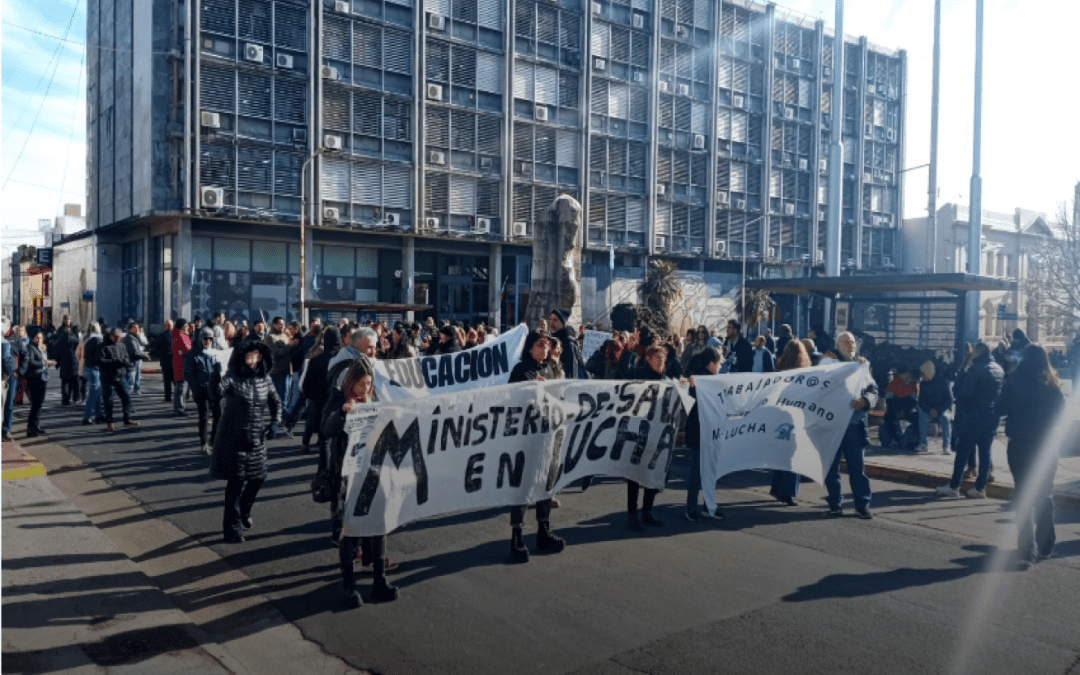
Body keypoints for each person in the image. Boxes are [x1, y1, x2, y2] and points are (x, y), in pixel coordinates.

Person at [328, 359, 399, 607]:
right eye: (360, 384)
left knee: (378, 525)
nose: (364, 389)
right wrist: (341, 414)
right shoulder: (340, 399)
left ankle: (379, 580)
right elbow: (325, 429)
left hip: (374, 473)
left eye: (368, 384)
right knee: (350, 531)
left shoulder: (374, 401)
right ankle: (349, 587)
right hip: (349, 478)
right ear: (351, 383)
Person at [996, 344, 1066, 569]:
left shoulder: (1013, 381)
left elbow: (999, 409)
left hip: (1020, 445)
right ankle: (1046, 546)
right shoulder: (1053, 384)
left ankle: (1027, 550)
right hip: (1046, 445)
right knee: (1045, 494)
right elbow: (1060, 414)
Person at [209, 340, 281, 544]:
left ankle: (244, 511)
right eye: (249, 355)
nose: (253, 359)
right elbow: (215, 394)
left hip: (256, 438)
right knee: (235, 485)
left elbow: (275, 401)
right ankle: (232, 531)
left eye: (256, 355)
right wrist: (215, 375)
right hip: (233, 438)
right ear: (241, 356)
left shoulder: (264, 378)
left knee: (258, 478)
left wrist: (275, 421)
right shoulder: (232, 377)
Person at [505, 331, 567, 562]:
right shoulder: (521, 369)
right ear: (530, 347)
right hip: (527, 436)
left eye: (547, 345)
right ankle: (516, 536)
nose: (544, 348)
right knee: (523, 486)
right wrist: (531, 388)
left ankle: (544, 531)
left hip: (548, 434)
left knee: (546, 484)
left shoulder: (551, 368)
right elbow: (510, 398)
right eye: (540, 344)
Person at [820, 332, 879, 519]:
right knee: (831, 468)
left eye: (852, 342)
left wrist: (865, 401)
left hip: (854, 425)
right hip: (832, 424)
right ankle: (835, 504)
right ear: (837, 345)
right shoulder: (827, 364)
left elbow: (873, 391)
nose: (850, 345)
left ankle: (862, 505)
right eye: (845, 342)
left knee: (857, 468)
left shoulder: (862, 365)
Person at [935, 342, 1004, 499]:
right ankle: (980, 489)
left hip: (974, 415)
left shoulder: (975, 369)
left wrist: (962, 374)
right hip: (992, 416)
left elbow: (963, 392)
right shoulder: (999, 369)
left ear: (977, 353)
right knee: (985, 452)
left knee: (963, 450)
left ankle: (954, 486)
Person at [624, 344, 671, 531]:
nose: (661, 362)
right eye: (657, 358)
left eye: (663, 358)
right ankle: (632, 514)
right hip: (638, 434)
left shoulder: (667, 381)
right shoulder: (639, 375)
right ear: (648, 359)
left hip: (657, 437)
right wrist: (627, 351)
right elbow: (622, 374)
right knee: (635, 475)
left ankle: (647, 511)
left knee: (652, 472)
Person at [683, 346, 726, 521]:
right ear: (711, 364)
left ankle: (708, 505)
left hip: (705, 429)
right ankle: (692, 507)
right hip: (700, 430)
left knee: (707, 470)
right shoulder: (699, 381)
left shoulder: (701, 379)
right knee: (699, 471)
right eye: (719, 363)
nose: (721, 366)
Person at [769, 339, 813, 506]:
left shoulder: (780, 370)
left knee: (781, 455)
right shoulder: (803, 373)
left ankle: (776, 488)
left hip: (781, 417)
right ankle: (787, 493)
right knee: (794, 457)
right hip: (796, 418)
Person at [299, 326, 339, 456]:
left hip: (319, 400)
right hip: (339, 403)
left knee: (323, 439)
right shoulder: (345, 359)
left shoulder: (316, 360)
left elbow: (307, 386)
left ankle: (323, 469)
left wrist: (314, 397)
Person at [186, 328, 223, 454]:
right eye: (205, 338)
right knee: (203, 416)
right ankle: (204, 443)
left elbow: (221, 370)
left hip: (215, 389)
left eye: (210, 339)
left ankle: (214, 441)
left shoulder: (215, 353)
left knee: (218, 414)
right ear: (200, 339)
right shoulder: (192, 354)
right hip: (201, 389)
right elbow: (188, 373)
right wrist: (195, 389)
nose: (208, 341)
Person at [97, 328, 139, 432]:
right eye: (115, 337)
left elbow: (127, 358)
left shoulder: (122, 345)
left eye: (119, 337)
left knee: (126, 397)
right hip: (108, 377)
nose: (117, 339)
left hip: (121, 376)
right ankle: (110, 422)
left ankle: (127, 419)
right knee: (109, 401)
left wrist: (125, 361)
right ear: (111, 336)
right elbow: (101, 361)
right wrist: (116, 362)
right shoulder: (103, 346)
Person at [19, 329, 55, 437]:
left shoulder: (42, 348)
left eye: (41, 337)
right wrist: (45, 362)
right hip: (34, 377)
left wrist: (48, 361)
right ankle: (30, 429)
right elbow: (31, 362)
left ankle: (36, 426)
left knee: (39, 404)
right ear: (33, 338)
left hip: (43, 377)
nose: (39, 339)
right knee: (35, 404)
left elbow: (44, 360)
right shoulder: (31, 348)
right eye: (37, 337)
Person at [916, 360, 953, 455]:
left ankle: (946, 445)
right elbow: (921, 401)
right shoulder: (923, 383)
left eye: (923, 373)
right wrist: (929, 410)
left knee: (945, 419)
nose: (921, 376)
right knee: (922, 418)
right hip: (929, 409)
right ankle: (923, 443)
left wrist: (939, 410)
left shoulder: (944, 382)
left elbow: (948, 400)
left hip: (942, 409)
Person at [879, 369, 920, 451]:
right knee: (887, 416)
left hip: (909, 409)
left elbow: (914, 401)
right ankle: (893, 438)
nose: (905, 376)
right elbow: (889, 400)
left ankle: (916, 441)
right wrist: (897, 410)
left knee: (917, 417)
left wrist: (904, 410)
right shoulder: (893, 383)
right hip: (895, 408)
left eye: (906, 373)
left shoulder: (913, 384)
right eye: (903, 374)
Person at [264, 316, 295, 408]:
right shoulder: (270, 337)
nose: (282, 326)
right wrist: (290, 345)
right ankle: (277, 418)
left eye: (283, 324)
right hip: (277, 371)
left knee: (286, 396)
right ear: (275, 324)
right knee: (278, 397)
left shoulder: (285, 335)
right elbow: (276, 353)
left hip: (287, 371)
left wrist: (291, 338)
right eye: (280, 324)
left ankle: (283, 417)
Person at [549, 308, 587, 379]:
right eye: (550, 319)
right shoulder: (555, 338)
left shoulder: (567, 342)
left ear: (563, 323)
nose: (551, 323)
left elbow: (572, 369)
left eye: (555, 320)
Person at [82, 322, 105, 425]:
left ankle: (98, 414)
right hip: (94, 369)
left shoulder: (87, 339)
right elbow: (99, 357)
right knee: (94, 393)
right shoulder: (98, 340)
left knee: (96, 392)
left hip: (87, 367)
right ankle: (87, 417)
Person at [121, 322, 149, 399]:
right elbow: (134, 353)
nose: (137, 330)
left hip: (131, 365)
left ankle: (127, 406)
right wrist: (144, 355)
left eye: (137, 328)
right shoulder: (130, 338)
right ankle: (127, 407)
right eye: (134, 328)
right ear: (130, 329)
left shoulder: (133, 337)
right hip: (130, 365)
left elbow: (143, 344)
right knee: (129, 388)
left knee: (128, 387)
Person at [171, 319, 192, 416]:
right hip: (182, 364)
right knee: (181, 388)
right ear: (183, 327)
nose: (188, 328)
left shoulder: (178, 335)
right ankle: (179, 409)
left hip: (181, 363)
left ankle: (179, 408)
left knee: (181, 388)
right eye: (187, 326)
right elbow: (187, 350)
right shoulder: (180, 336)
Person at [56, 324, 81, 405]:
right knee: (75, 381)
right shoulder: (76, 339)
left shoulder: (60, 340)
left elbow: (57, 352)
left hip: (64, 362)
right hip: (74, 362)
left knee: (65, 382)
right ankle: (76, 397)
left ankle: (65, 399)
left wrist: (58, 362)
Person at [2, 319, 15, 441]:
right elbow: (6, 359)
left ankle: (6, 429)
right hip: (6, 376)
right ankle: (6, 430)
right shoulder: (5, 342)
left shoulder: (12, 337)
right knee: (7, 404)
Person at [154, 320, 174, 402]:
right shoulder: (177, 335)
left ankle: (168, 397)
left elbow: (156, 347)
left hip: (165, 361)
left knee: (167, 381)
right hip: (174, 361)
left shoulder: (161, 336)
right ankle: (178, 397)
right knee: (176, 381)